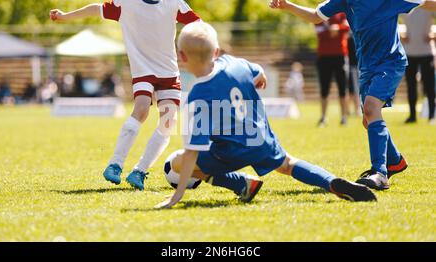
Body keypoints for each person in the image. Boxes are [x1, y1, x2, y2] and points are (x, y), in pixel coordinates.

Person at [155, 22, 376, 209]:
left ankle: (240, 183)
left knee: (177, 161)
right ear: (216, 51)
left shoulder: (197, 97)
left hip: (229, 153)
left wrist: (177, 195)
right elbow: (258, 72)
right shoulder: (235, 63)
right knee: (289, 164)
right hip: (260, 138)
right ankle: (330, 182)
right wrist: (259, 79)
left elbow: (194, 150)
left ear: (181, 56)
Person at [268, 0, 436, 190]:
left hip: (391, 63)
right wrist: (287, 5)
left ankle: (380, 173)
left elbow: (428, 3)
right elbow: (316, 16)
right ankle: (395, 161)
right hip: (366, 68)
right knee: (369, 120)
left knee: (372, 109)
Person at [50, 0, 201, 190]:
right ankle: (115, 164)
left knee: (168, 123)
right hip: (143, 69)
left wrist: (200, 47)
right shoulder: (126, 3)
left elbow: (198, 25)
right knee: (142, 109)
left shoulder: (174, 3)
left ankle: (139, 171)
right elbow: (97, 9)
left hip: (169, 72)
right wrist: (66, 16)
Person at [315, 13, 350, 127]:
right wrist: (330, 31)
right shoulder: (320, 11)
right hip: (324, 56)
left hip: (340, 55)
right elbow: (318, 31)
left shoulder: (342, 13)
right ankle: (323, 117)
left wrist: (337, 27)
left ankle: (344, 117)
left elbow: (347, 27)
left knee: (342, 87)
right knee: (324, 88)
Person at [402, 9, 436, 124]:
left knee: (429, 86)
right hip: (410, 53)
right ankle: (412, 116)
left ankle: (431, 115)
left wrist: (433, 35)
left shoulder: (428, 5)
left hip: (427, 53)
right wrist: (400, 36)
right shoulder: (405, 6)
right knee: (411, 87)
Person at [347, 32, 361, 116]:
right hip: (352, 66)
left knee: (356, 88)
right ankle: (354, 108)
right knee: (353, 89)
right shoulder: (350, 37)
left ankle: (357, 108)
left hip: (356, 66)